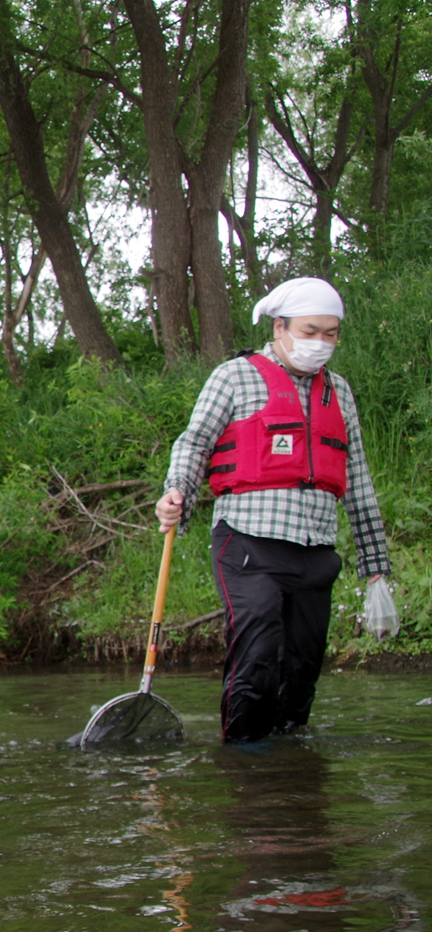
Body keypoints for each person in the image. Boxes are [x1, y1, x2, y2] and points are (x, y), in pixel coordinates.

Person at [155, 277, 396, 743]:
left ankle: (289, 770)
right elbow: (195, 442)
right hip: (249, 543)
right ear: (280, 327)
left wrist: (376, 571)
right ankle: (245, 763)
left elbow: (359, 482)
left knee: (303, 666)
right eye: (310, 331)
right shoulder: (234, 376)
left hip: (315, 552)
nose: (321, 343)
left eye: (330, 334)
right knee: (259, 653)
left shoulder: (339, 393)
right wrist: (175, 493)